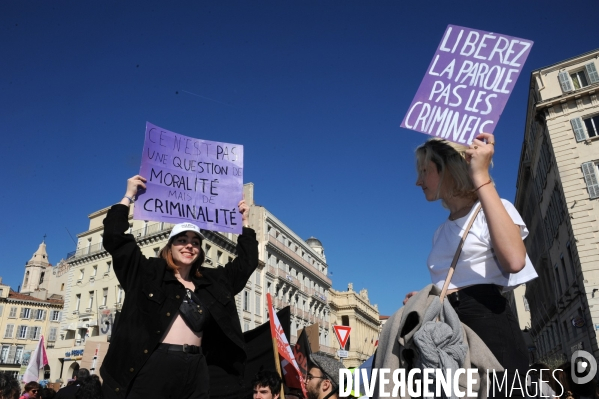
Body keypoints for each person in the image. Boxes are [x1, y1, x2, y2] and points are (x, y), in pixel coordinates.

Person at [100, 175, 259, 399]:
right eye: (182, 240)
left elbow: (246, 263)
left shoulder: (211, 282)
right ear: (171, 246)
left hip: (197, 367)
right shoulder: (146, 273)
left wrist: (245, 223)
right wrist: (128, 196)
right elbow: (115, 238)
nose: (189, 246)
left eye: (195, 242)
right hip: (154, 364)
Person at [404, 134, 538, 397]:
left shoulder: (494, 209)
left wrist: (480, 174)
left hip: (487, 322)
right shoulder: (440, 232)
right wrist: (425, 299)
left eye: (424, 171)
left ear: (449, 168)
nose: (418, 181)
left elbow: (514, 260)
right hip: (447, 327)